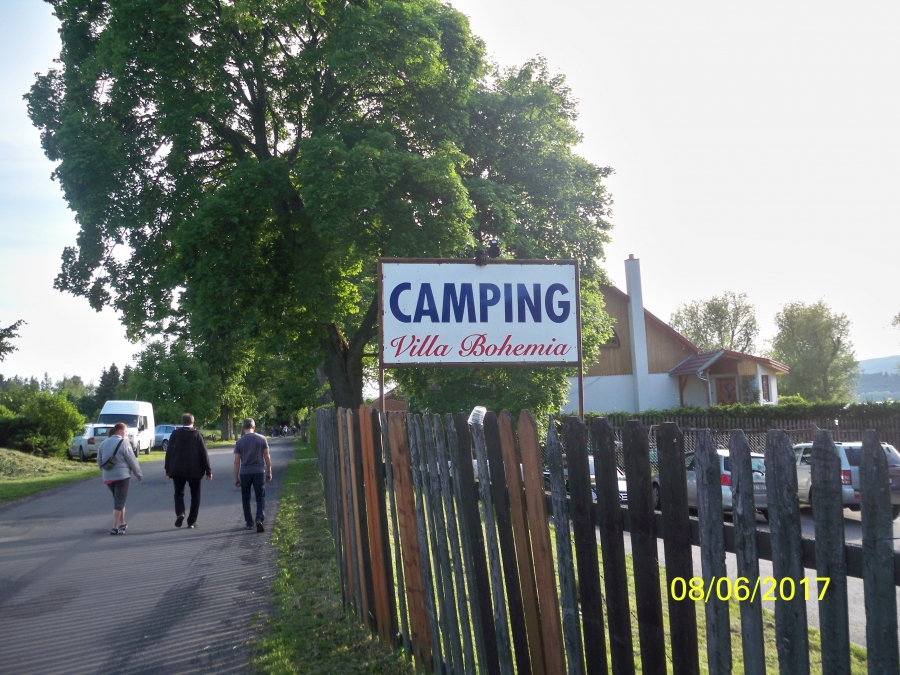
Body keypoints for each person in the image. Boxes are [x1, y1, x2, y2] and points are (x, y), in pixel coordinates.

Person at [164, 413, 213, 529]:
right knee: (195, 496)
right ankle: (191, 521)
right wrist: (208, 470)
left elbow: (169, 452)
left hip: (178, 469)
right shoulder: (197, 434)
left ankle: (180, 512)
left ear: (182, 422)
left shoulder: (175, 434)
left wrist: (168, 469)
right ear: (193, 422)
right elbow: (204, 453)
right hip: (194, 470)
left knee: (178, 493)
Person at [97, 422, 143, 535]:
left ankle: (123, 523)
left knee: (119, 500)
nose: (126, 434)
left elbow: (99, 460)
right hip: (122, 476)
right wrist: (138, 474)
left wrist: (105, 471)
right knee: (119, 502)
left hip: (108, 477)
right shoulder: (124, 443)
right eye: (126, 432)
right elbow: (132, 460)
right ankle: (114, 527)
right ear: (120, 431)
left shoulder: (103, 443)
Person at [234, 418, 272, 532]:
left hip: (245, 472)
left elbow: (236, 461)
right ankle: (259, 518)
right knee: (260, 497)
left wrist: (236, 477)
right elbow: (267, 456)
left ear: (243, 428)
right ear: (254, 427)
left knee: (246, 498)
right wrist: (269, 471)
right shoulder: (262, 439)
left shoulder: (239, 442)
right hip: (259, 471)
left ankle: (249, 522)